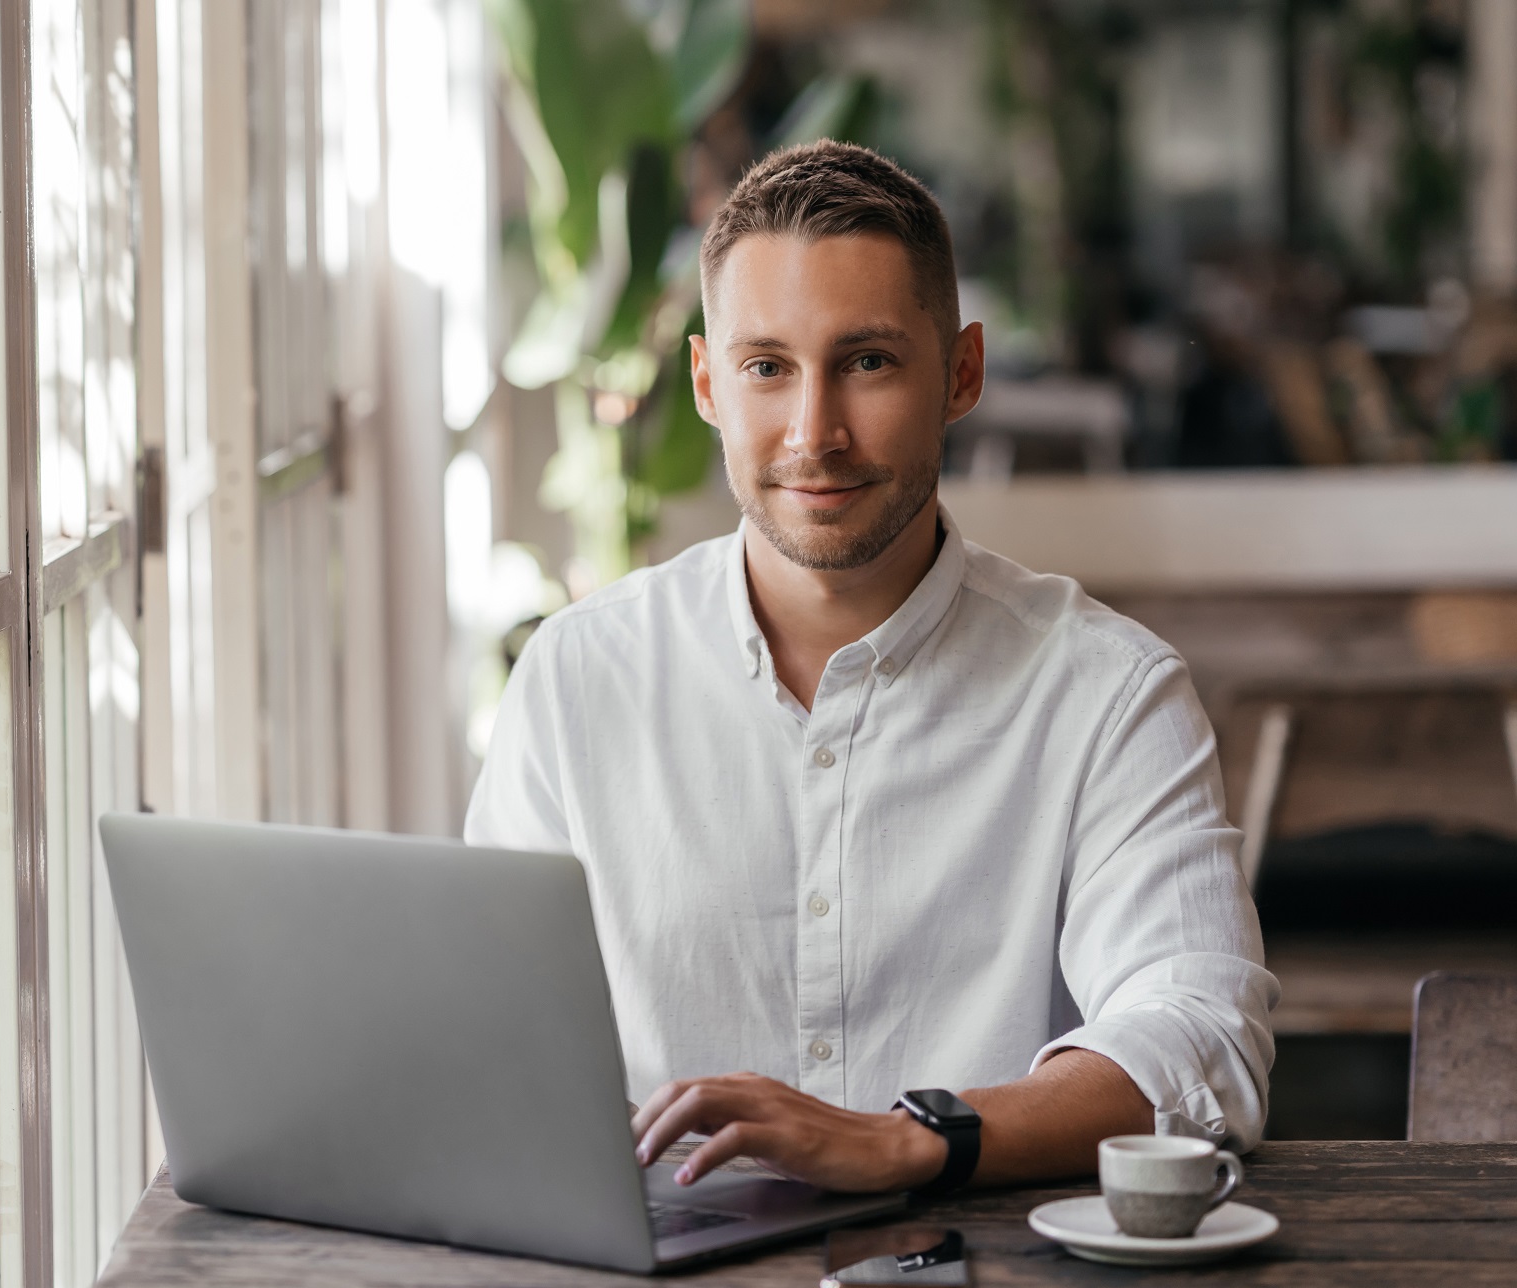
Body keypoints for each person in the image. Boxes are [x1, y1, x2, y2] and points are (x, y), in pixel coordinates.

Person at [464, 141, 1276, 1198]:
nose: (814, 434)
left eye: (867, 362)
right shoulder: (576, 678)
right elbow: (490, 1030)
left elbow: (1199, 1036)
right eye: (767, 367)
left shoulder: (1107, 692)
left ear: (962, 372)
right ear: (708, 382)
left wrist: (909, 1137)